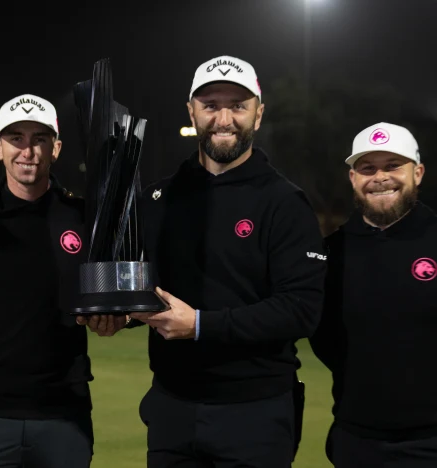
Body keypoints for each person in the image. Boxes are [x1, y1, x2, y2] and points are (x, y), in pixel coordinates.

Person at [121, 55, 328, 467]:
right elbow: (146, 288)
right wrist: (117, 313)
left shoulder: (285, 203)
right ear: (192, 111)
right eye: (211, 105)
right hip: (172, 408)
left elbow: (301, 310)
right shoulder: (160, 199)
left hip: (255, 413)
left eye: (238, 106)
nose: (224, 118)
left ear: (258, 113)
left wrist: (199, 325)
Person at [309, 122, 437, 467]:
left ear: (417, 173)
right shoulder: (331, 252)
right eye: (367, 168)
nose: (380, 177)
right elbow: (323, 337)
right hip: (355, 439)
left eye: (393, 166)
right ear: (352, 179)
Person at [0, 94, 94, 468]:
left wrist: (121, 319)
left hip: (64, 413)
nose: (28, 151)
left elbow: (108, 301)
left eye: (39, 138)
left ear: (56, 148)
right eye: (16, 138)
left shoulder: (81, 216)